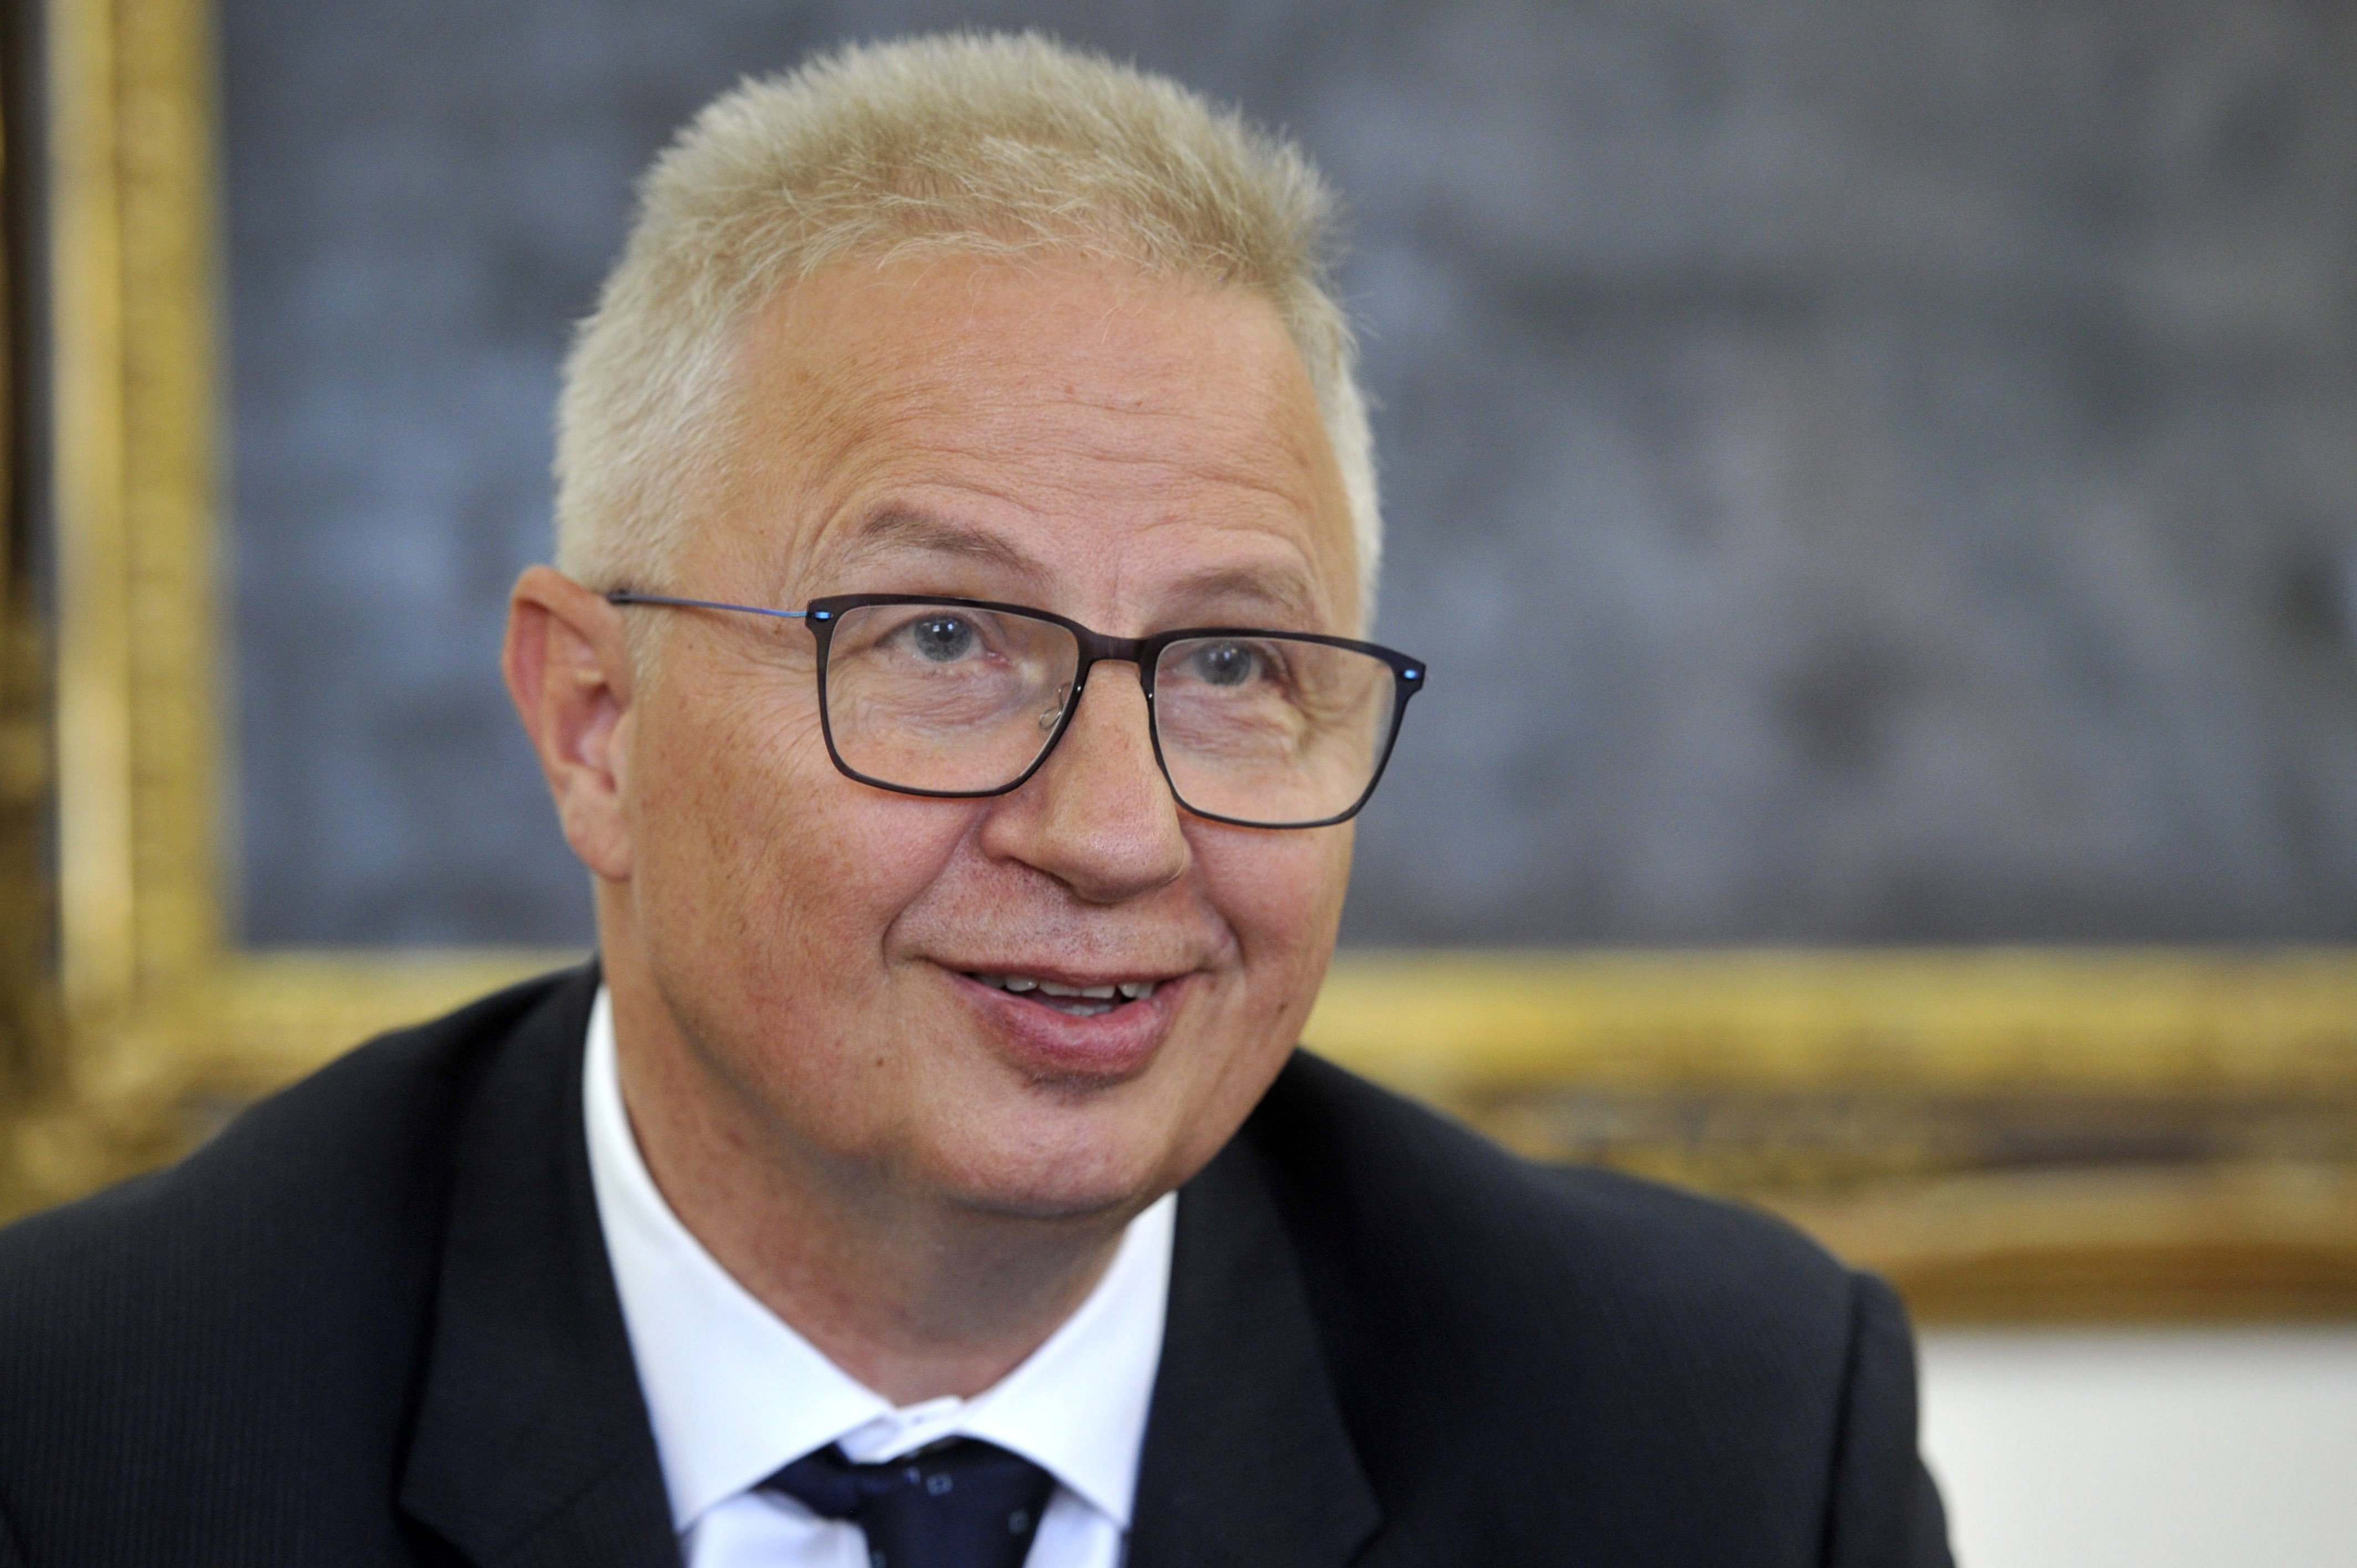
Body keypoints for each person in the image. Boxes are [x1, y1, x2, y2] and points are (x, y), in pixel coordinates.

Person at [0, 33, 1949, 1567]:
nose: (1114, 836)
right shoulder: (82, 1444)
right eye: (940, 641)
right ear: (596, 724)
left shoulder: (1719, 1448)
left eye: (1229, 667)